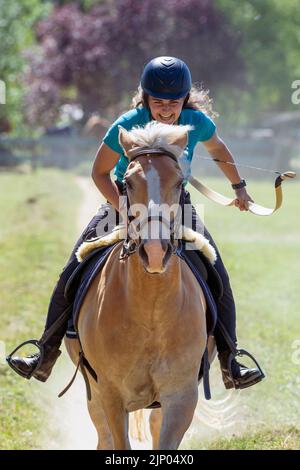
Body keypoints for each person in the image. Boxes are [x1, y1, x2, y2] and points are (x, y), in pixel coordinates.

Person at [8, 56, 264, 389]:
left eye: (174, 102)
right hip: (124, 200)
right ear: (145, 98)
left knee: (215, 271)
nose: (166, 109)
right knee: (74, 266)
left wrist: (239, 187)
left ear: (185, 99)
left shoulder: (195, 122)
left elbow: (219, 150)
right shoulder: (127, 124)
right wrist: (127, 209)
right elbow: (99, 173)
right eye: (158, 102)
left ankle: (231, 361)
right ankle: (45, 352)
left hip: (175, 206)